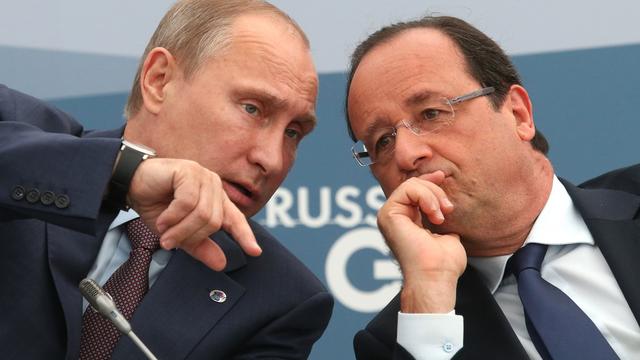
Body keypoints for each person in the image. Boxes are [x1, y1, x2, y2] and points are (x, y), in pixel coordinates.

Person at [0, 0, 333, 359]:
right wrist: (124, 173)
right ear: (159, 80)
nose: (271, 159)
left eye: (294, 133)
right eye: (252, 108)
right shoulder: (19, 128)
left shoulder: (281, 301)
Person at [344, 15, 640, 360]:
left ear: (518, 114)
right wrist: (429, 293)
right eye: (383, 142)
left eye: (431, 113)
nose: (407, 154)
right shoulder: (402, 339)